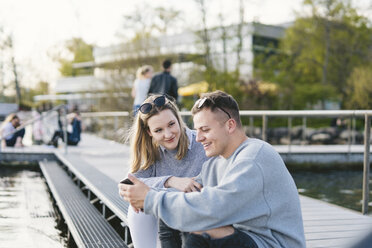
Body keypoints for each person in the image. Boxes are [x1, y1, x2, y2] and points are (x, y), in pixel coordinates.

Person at [119, 91, 306, 248]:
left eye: (205, 130)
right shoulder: (216, 163)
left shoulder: (253, 158)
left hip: (271, 243)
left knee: (202, 230)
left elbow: (213, 208)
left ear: (230, 125)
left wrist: (150, 198)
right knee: (175, 215)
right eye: (197, 130)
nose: (198, 138)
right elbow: (191, 193)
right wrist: (143, 194)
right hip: (247, 236)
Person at [124, 94, 209, 248]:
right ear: (149, 132)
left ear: (178, 119)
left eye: (171, 124)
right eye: (158, 130)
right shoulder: (150, 151)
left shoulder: (201, 143)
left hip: (199, 218)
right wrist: (170, 181)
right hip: (163, 226)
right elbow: (130, 184)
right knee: (138, 208)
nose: (168, 134)